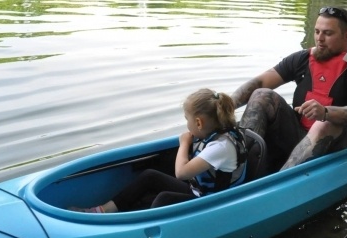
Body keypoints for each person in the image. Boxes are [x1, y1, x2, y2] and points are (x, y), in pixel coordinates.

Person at [230, 6, 347, 171]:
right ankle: (239, 167)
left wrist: (325, 112)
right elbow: (260, 82)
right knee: (261, 95)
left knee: (325, 123)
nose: (319, 38)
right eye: (317, 32)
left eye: (328, 33)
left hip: (338, 145)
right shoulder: (302, 59)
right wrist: (224, 105)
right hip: (299, 134)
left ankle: (278, 183)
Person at [69, 89, 247, 213]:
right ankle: (105, 210)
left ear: (199, 123)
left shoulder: (220, 146)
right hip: (200, 191)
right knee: (150, 176)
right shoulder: (217, 134)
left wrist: (184, 142)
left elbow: (181, 173)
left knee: (164, 198)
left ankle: (142, 233)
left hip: (211, 203)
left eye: (188, 120)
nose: (187, 125)